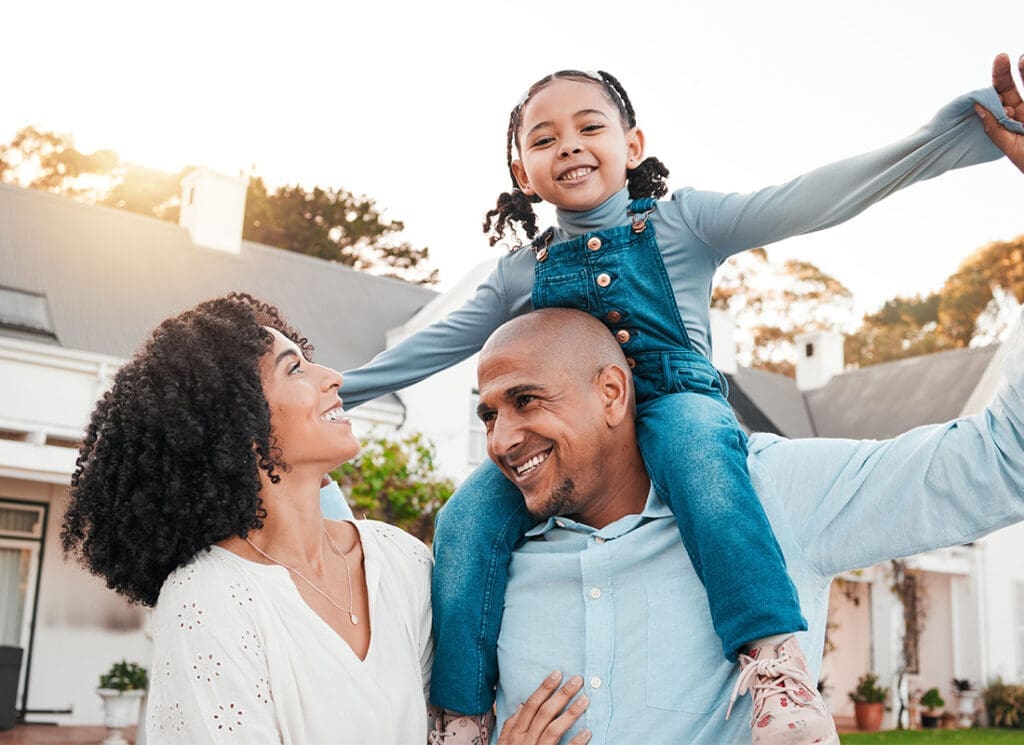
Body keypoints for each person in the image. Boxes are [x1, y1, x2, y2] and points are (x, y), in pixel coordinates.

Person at [339, 55, 1024, 743]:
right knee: (462, 519)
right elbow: (432, 345)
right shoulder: (522, 272)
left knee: (700, 461)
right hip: (578, 444)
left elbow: (810, 197)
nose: (568, 145)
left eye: (589, 127)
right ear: (522, 171)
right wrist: (333, 392)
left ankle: (770, 659)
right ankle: (460, 715)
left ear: (633, 145)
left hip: (681, 405)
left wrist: (954, 134)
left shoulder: (681, 226)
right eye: (543, 139)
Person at [476, 304, 1024, 744]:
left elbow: (1006, 459)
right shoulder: (479, 566)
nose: (501, 441)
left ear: (612, 393)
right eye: (490, 415)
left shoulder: (771, 492)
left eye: (526, 400)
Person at [59, 293, 591, 745]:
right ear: (238, 425)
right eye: (294, 368)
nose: (333, 378)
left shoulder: (399, 559)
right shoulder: (207, 599)